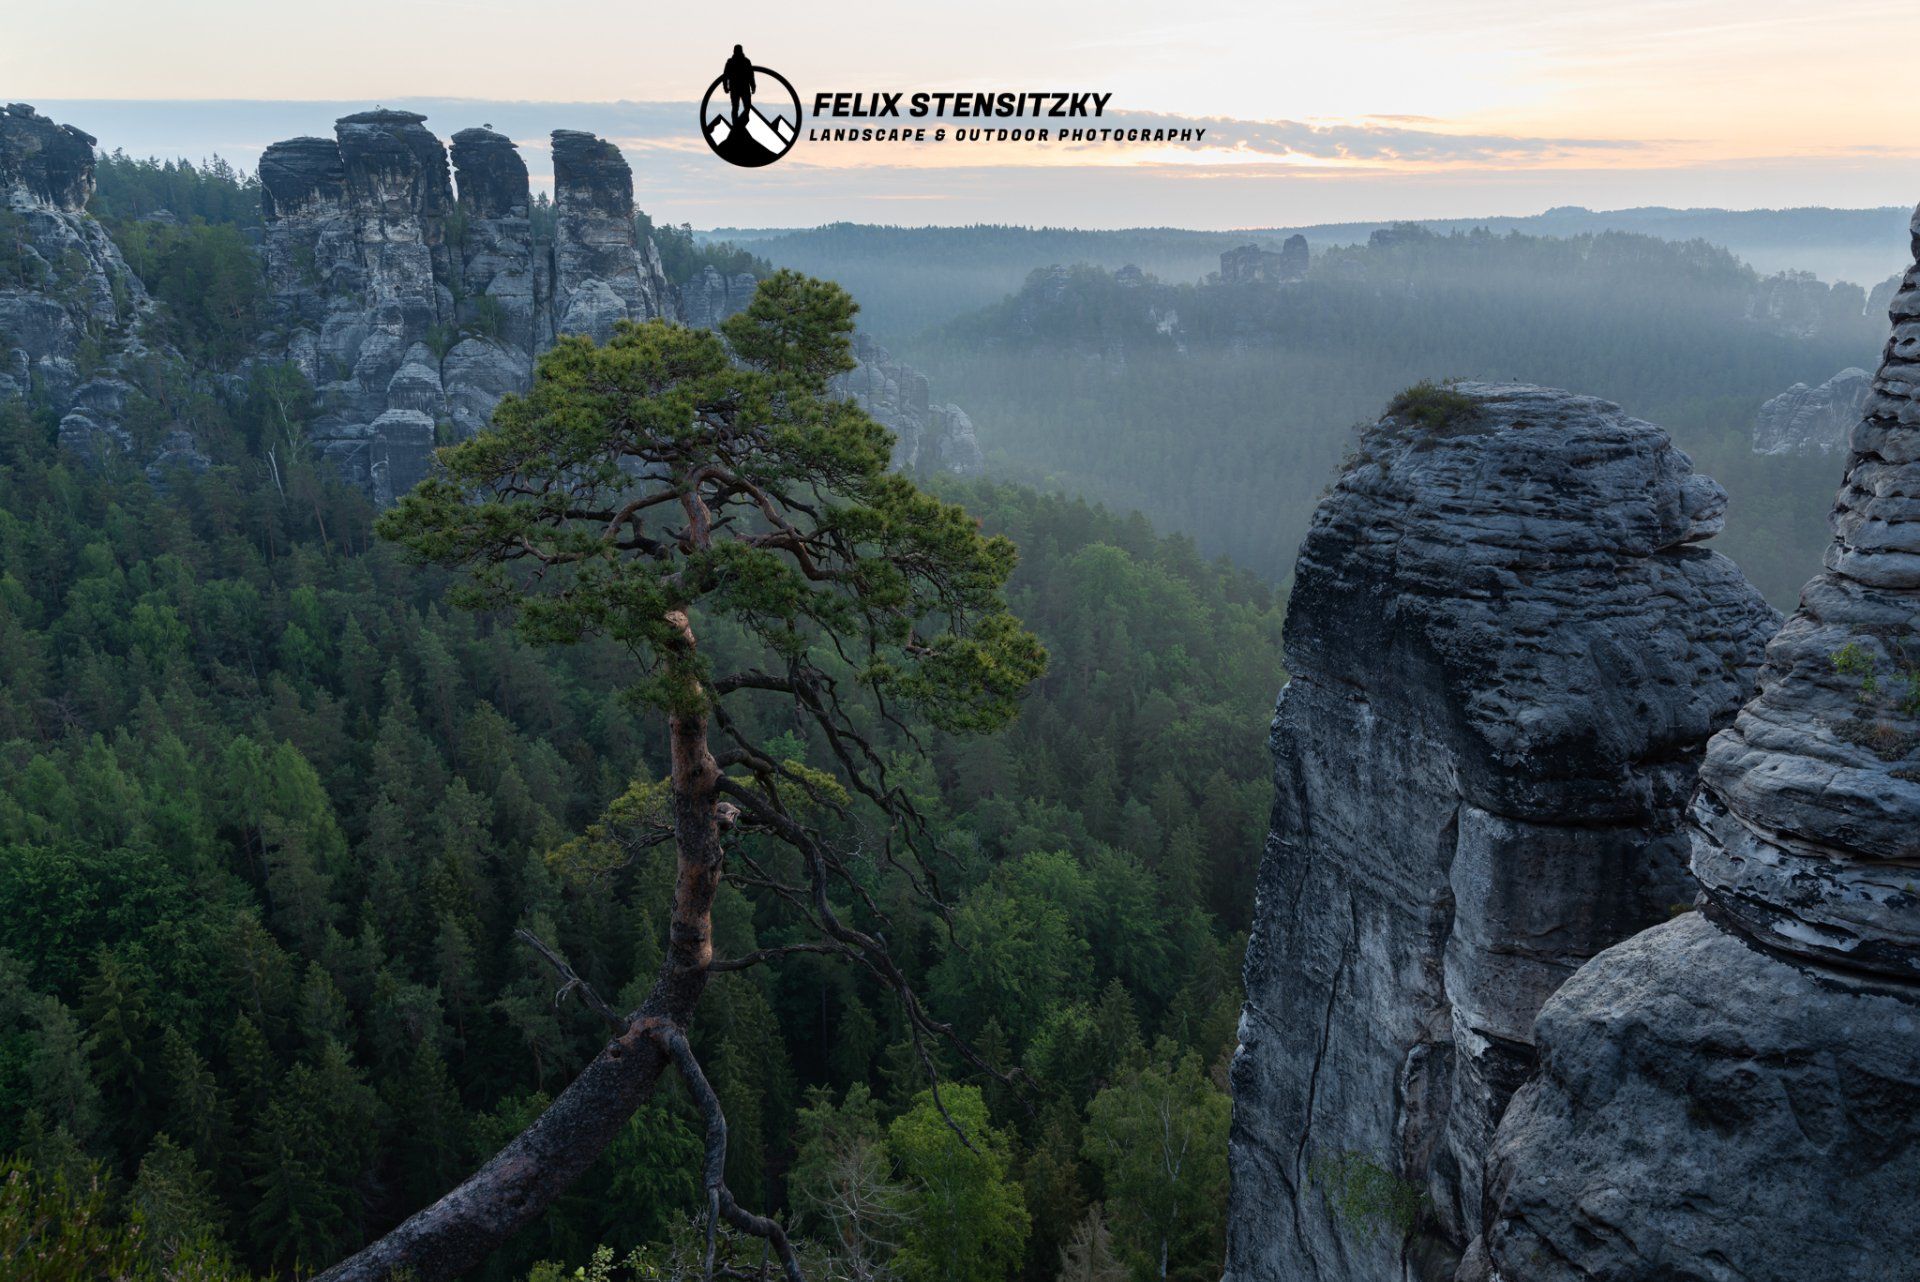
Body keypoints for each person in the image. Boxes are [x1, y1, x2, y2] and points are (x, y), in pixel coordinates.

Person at [723, 45, 756, 127]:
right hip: (738, 88)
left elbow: (750, 75)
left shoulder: (744, 61)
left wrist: (753, 86)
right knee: (737, 108)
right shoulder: (732, 62)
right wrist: (725, 87)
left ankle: (738, 124)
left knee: (745, 108)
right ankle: (736, 125)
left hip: (740, 88)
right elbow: (725, 76)